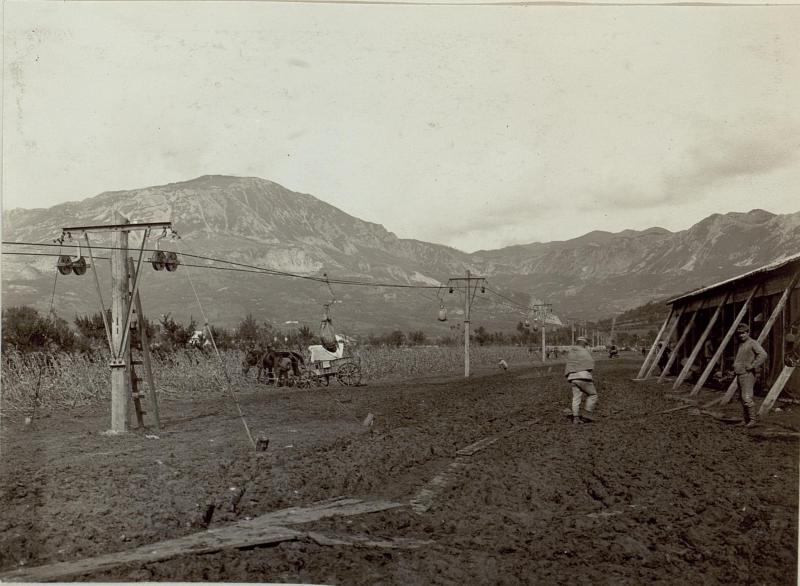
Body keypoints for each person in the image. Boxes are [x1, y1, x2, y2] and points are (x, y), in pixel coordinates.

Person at [733, 323, 768, 428]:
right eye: (739, 333)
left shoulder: (753, 343)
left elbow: (763, 355)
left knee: (747, 397)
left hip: (748, 374)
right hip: (740, 373)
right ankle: (746, 420)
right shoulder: (741, 344)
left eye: (743, 333)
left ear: (748, 332)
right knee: (742, 398)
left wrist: (753, 365)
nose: (741, 335)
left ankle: (753, 420)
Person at [565, 336, 598, 424]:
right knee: (593, 395)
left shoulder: (571, 352)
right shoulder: (584, 351)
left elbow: (569, 365)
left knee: (576, 398)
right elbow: (590, 364)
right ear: (583, 344)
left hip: (572, 377)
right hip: (583, 376)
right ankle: (586, 414)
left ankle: (575, 418)